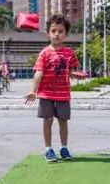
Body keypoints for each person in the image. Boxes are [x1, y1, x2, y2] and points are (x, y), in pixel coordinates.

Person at [24, 14, 85, 163]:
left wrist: (76, 75)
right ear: (48, 33)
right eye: (53, 31)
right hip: (46, 94)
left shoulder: (70, 53)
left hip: (63, 94)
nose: (57, 34)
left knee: (63, 121)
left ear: (66, 34)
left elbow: (71, 71)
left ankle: (64, 148)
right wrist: (34, 90)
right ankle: (48, 149)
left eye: (60, 31)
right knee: (48, 120)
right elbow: (39, 72)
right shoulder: (44, 53)